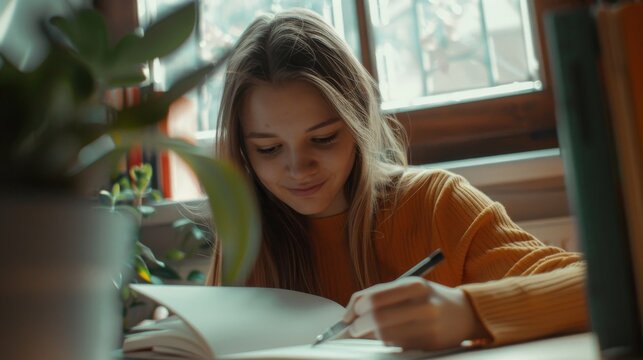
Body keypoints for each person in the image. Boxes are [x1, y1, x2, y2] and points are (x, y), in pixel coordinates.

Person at [206, 8, 589, 351]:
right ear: (242, 150)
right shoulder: (245, 235)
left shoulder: (436, 203)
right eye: (269, 149)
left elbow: (598, 284)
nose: (298, 168)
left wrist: (468, 312)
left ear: (358, 122)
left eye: (323, 139)